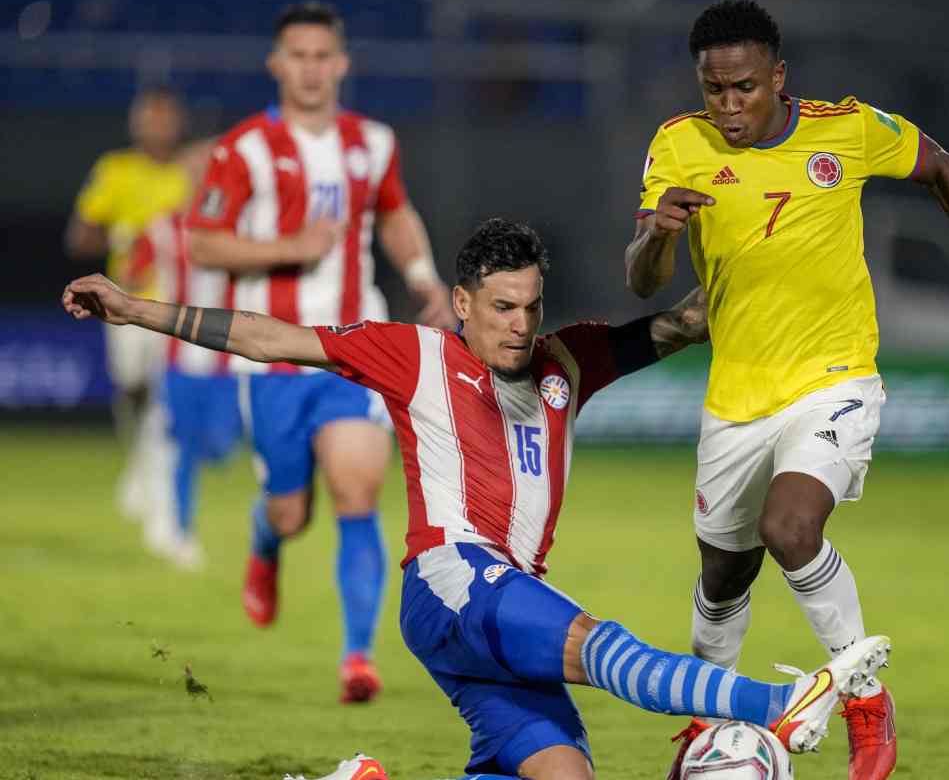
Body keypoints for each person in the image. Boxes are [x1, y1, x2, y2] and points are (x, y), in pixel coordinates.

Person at [62, 217, 895, 780]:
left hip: (500, 613)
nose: (519, 325)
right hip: (452, 582)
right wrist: (135, 309)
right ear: (463, 304)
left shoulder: (569, 361)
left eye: (531, 307)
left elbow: (687, 321)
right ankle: (779, 706)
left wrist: (765, 259)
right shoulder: (413, 356)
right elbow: (265, 335)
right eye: (501, 308)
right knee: (598, 644)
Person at [623, 0, 949, 780]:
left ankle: (864, 696)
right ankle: (708, 724)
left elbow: (943, 170)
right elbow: (642, 279)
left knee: (792, 529)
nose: (729, 107)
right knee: (723, 578)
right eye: (714, 89)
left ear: (779, 77)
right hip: (736, 397)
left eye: (745, 88)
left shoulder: (846, 129)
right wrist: (658, 233)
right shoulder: (677, 146)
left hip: (835, 376)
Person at [184, 2, 454, 703]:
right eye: (296, 56)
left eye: (321, 56)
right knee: (289, 513)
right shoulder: (241, 149)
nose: (310, 68)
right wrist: (288, 248)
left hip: (355, 350)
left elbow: (393, 211)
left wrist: (423, 278)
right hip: (272, 356)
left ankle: (357, 658)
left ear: (341, 63)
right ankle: (266, 543)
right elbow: (205, 241)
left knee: (357, 490)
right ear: (277, 64)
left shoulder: (373, 142)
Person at [67, 86, 201, 529]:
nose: (158, 126)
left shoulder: (191, 174)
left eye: (166, 117)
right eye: (150, 117)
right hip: (125, 302)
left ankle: (155, 489)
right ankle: (139, 466)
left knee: (167, 399)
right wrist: (126, 238)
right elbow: (80, 237)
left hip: (180, 304)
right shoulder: (116, 170)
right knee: (132, 389)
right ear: (136, 122)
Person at [126, 209, 242, 569]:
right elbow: (133, 272)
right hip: (178, 357)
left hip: (227, 358)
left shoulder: (243, 229)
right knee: (183, 447)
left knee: (222, 447)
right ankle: (180, 531)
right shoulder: (163, 229)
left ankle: (149, 475)